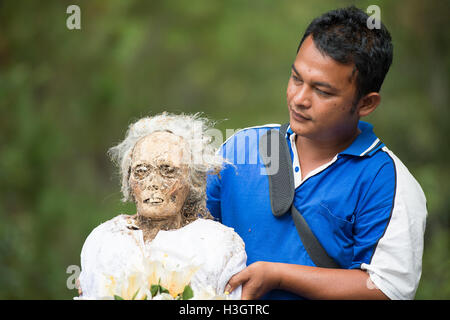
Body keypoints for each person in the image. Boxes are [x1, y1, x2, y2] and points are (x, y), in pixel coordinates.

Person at [206, 6, 427, 300]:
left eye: (322, 91)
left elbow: (389, 289)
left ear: (366, 103)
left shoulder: (386, 181)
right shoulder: (239, 149)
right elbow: (185, 232)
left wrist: (279, 276)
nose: (299, 99)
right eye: (296, 78)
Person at [77, 112, 247, 300]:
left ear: (194, 181)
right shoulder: (103, 240)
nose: (153, 182)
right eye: (141, 171)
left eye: (167, 171)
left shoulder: (219, 244)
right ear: (128, 179)